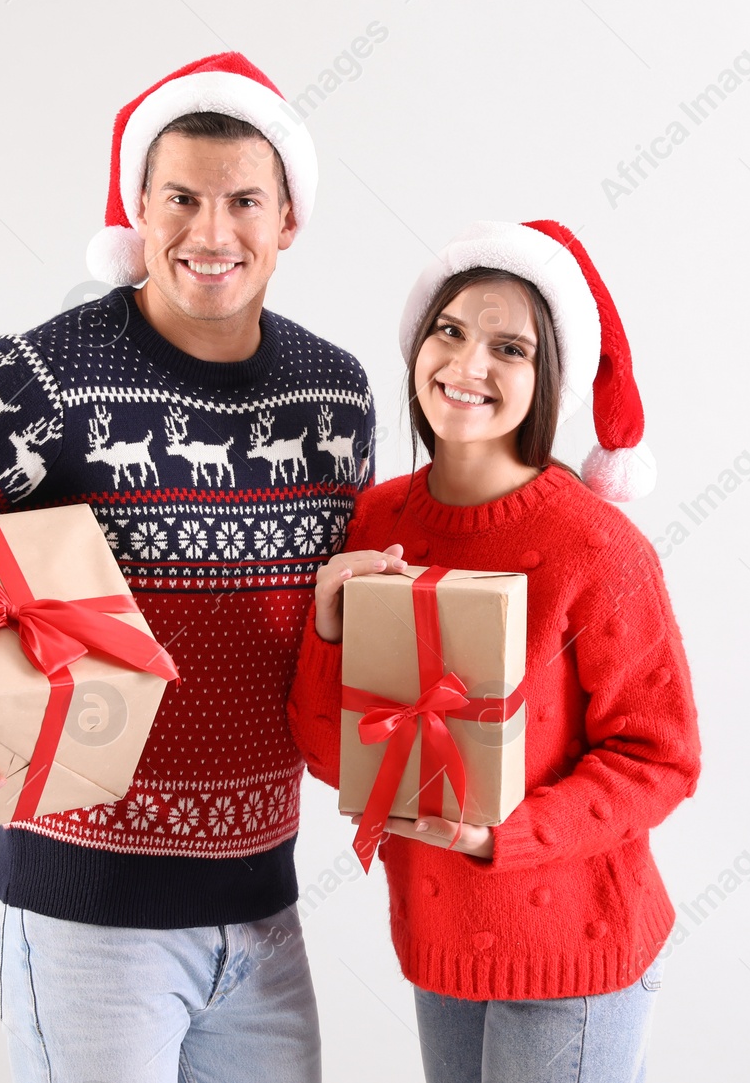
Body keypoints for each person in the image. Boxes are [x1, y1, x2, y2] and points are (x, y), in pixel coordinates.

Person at [0, 52, 374, 1083]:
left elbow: (328, 636)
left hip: (266, 919)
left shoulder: (338, 397)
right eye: (180, 197)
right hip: (87, 921)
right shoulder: (45, 379)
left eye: (242, 202)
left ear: (288, 223)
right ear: (138, 209)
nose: (211, 233)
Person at [286, 220, 701, 1082]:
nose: (467, 365)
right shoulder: (378, 522)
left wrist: (503, 834)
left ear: (547, 377)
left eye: (509, 347)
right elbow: (337, 757)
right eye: (450, 330)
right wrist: (328, 628)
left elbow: (661, 758)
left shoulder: (599, 548)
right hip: (441, 944)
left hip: (577, 953)